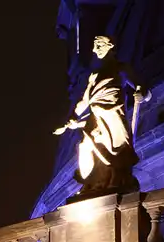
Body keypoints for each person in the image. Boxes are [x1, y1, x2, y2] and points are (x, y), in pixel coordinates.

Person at [55, 35, 151, 195]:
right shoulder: (94, 76)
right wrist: (73, 115)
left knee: (116, 148)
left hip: (113, 115)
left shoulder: (121, 69)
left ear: (110, 46)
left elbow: (143, 89)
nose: (94, 49)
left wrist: (142, 93)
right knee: (87, 146)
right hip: (95, 117)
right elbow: (84, 100)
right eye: (94, 46)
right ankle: (93, 180)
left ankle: (114, 179)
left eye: (98, 45)